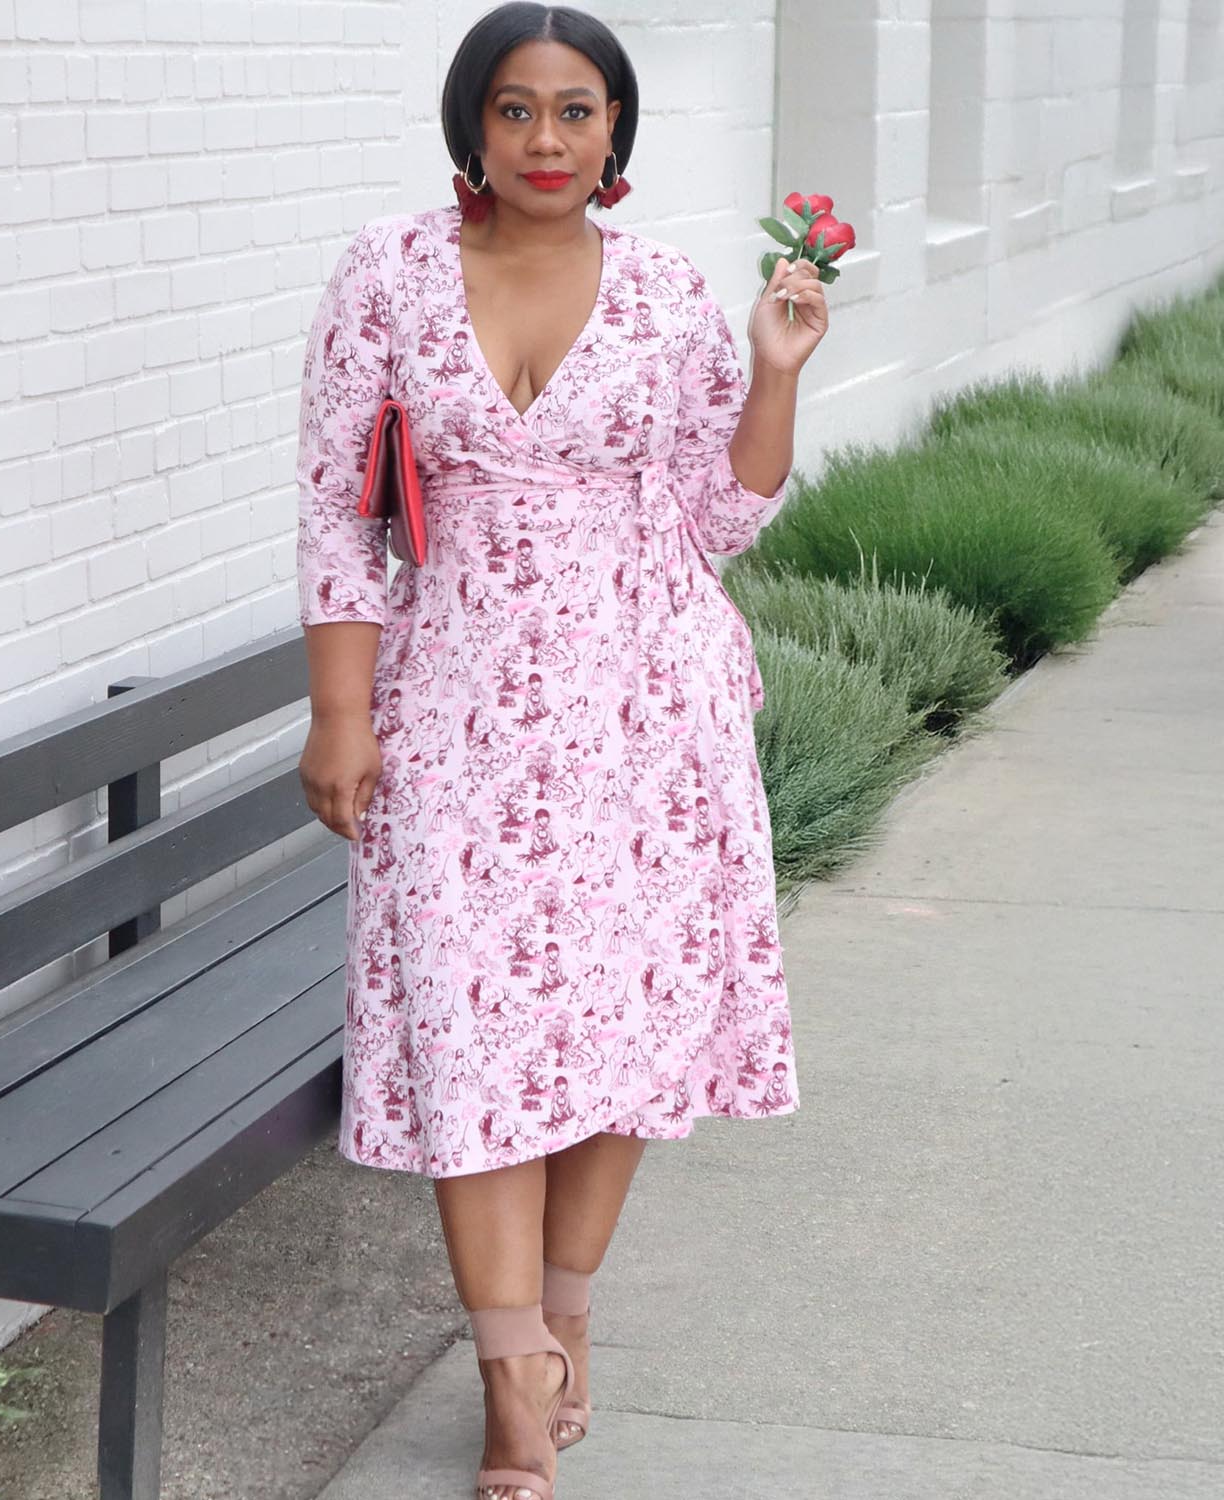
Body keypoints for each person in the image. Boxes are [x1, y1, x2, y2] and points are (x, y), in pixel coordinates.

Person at [294, 6, 828, 1497]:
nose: (547, 139)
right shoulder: (388, 272)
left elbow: (721, 518)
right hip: (453, 712)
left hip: (647, 714)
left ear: (615, 132)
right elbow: (337, 505)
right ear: (472, 126)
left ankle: (563, 1318)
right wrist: (341, 711)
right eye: (517, 109)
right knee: (471, 1023)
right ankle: (506, 1364)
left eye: (577, 110)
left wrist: (775, 369)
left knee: (622, 1023)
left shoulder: (665, 292)